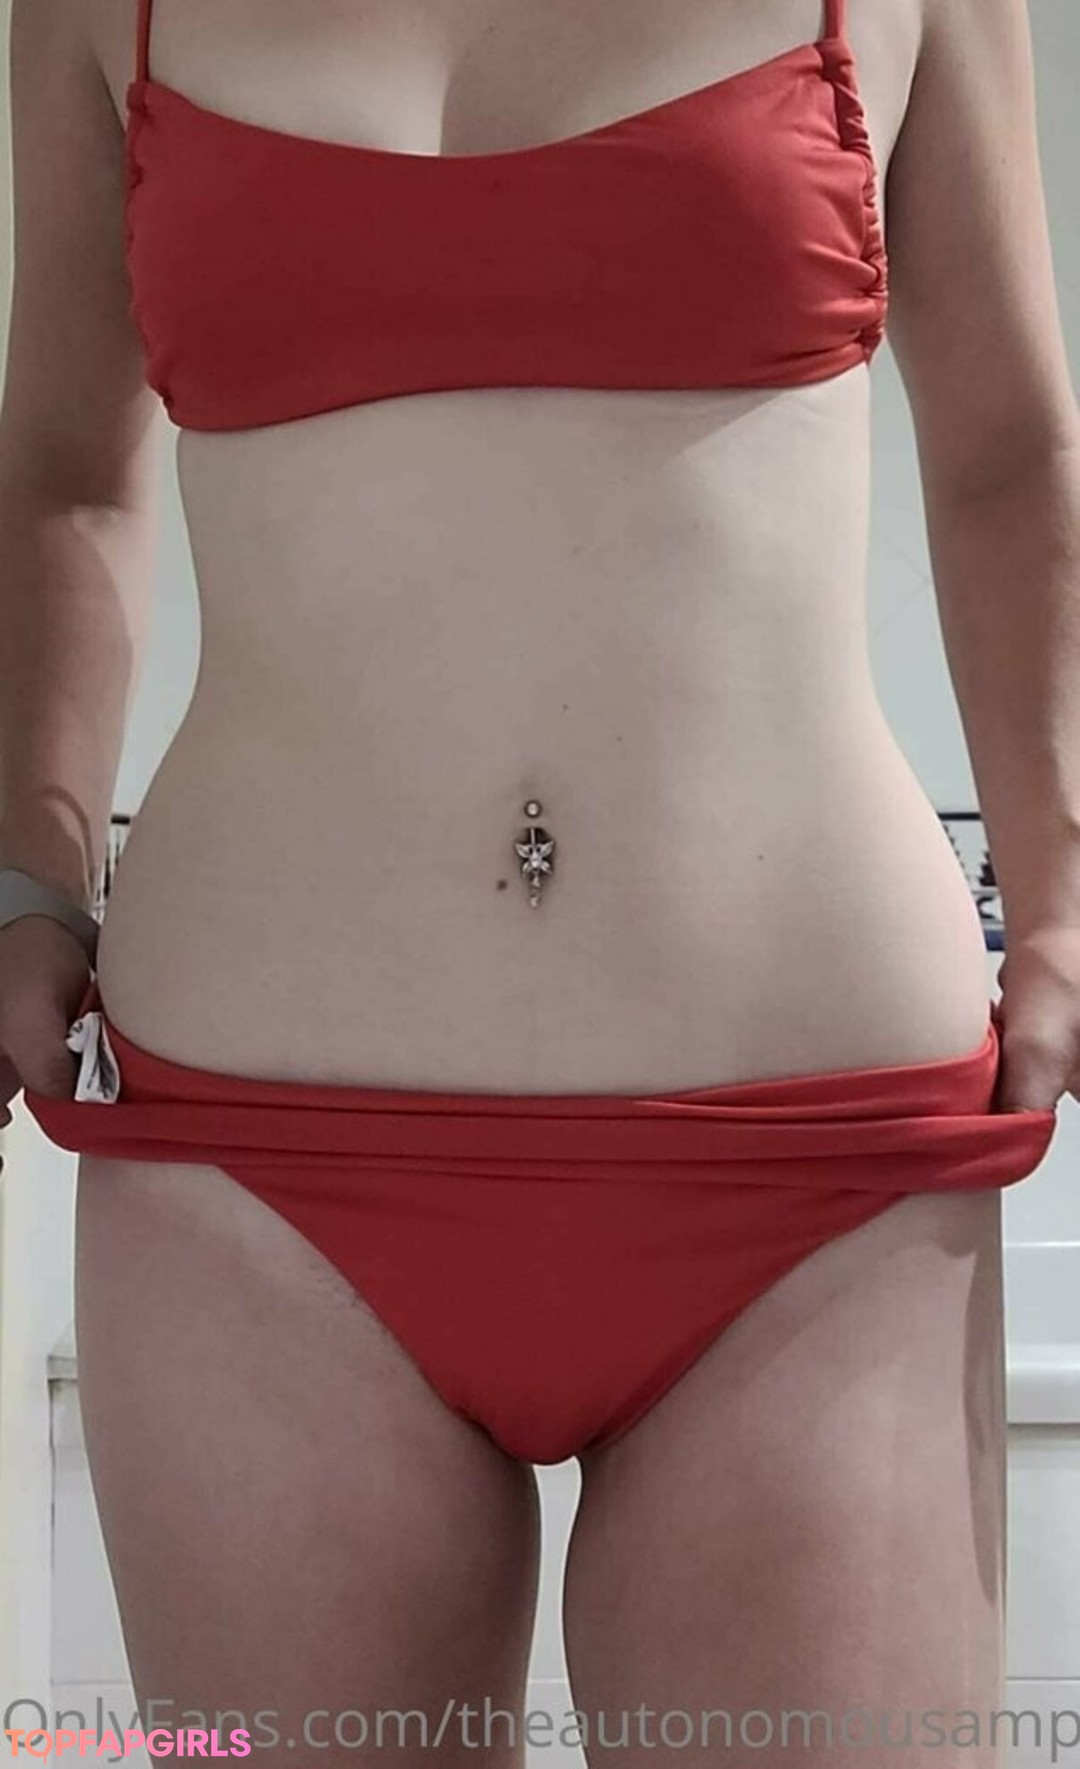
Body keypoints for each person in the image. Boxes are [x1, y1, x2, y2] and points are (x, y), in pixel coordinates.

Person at [1, 0, 1077, 1761]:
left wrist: (1063, 891)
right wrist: (29, 882)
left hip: (816, 1157)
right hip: (255, 1171)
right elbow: (60, 478)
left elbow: (1011, 451)